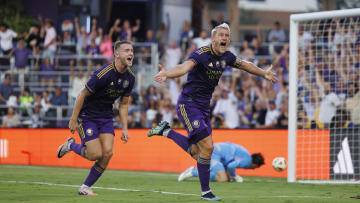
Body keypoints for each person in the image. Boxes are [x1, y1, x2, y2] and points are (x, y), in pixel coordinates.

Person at [147, 23, 277, 201]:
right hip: (188, 104)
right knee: (208, 147)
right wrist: (167, 74)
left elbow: (245, 64)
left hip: (204, 107)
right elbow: (184, 67)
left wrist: (263, 74)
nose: (224, 38)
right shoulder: (201, 54)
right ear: (213, 38)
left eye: (227, 35)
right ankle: (206, 192)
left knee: (197, 152)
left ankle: (166, 131)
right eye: (221, 35)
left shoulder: (227, 57)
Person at [56, 41, 135, 195]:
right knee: (94, 154)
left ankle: (85, 187)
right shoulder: (103, 74)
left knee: (108, 153)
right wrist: (73, 119)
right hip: (87, 115)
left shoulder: (130, 78)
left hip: (105, 116)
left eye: (132, 50)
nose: (131, 53)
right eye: (126, 50)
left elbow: (124, 104)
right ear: (116, 54)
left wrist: (125, 128)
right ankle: (70, 145)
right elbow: (82, 94)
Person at [178, 142, 264, 182]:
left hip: (216, 151)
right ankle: (193, 172)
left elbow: (229, 162)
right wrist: (234, 176)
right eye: (256, 167)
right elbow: (231, 166)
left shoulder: (246, 154)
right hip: (215, 154)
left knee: (227, 178)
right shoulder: (247, 161)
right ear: (255, 163)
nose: (253, 169)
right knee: (223, 179)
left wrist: (231, 176)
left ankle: (197, 172)